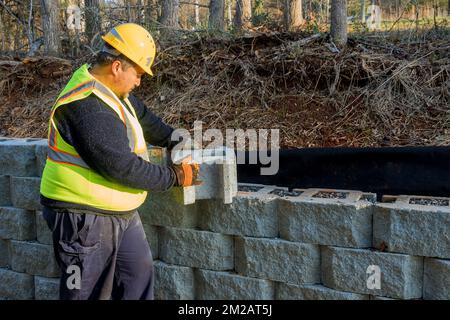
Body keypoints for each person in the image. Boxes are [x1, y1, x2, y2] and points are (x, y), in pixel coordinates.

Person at [39, 23, 200, 300]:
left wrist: (177, 139)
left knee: (137, 278)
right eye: (137, 74)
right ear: (116, 67)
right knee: (85, 293)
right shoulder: (86, 106)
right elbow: (121, 167)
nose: (139, 81)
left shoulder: (114, 93)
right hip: (82, 219)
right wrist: (175, 176)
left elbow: (145, 119)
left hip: (121, 213)